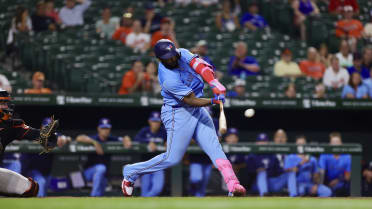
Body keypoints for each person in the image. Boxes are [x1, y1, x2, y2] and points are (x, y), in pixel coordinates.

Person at [122, 39, 246, 197]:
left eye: (173, 55)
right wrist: (214, 100)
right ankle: (131, 172)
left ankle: (233, 185)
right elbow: (190, 100)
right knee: (172, 158)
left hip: (198, 111)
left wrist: (213, 82)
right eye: (168, 57)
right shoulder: (167, 78)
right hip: (178, 113)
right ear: (159, 59)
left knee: (215, 147)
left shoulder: (182, 53)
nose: (173, 59)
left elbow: (201, 66)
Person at [0, 89, 59, 197]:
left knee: (31, 188)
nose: (6, 107)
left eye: (6, 103)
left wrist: (44, 136)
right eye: (2, 103)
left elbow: (33, 133)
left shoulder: (11, 125)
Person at [76, 118, 130, 196]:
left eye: (107, 128)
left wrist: (126, 138)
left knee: (100, 194)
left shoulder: (112, 139)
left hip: (103, 175)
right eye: (103, 128)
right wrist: (94, 142)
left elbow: (124, 139)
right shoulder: (94, 138)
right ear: (98, 129)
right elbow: (79, 138)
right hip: (88, 173)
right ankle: (93, 197)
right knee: (101, 168)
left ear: (110, 129)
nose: (105, 130)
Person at [22, 117, 71, 197]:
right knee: (40, 182)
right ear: (41, 127)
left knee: (44, 190)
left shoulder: (54, 136)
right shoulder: (36, 133)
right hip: (33, 170)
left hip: (47, 172)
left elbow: (68, 139)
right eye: (46, 127)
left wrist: (64, 139)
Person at [133, 112, 166, 197]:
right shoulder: (145, 130)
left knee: (157, 189)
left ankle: (144, 200)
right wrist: (148, 142)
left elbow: (172, 139)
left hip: (159, 165)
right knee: (144, 191)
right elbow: (136, 139)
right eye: (153, 121)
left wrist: (168, 141)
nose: (155, 123)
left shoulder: (163, 131)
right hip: (146, 165)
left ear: (160, 122)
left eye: (157, 121)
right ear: (149, 121)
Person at [188, 107, 218, 197]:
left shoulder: (215, 123)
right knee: (196, 178)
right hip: (195, 157)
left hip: (208, 158)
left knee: (204, 183)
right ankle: (192, 189)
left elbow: (218, 138)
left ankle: (198, 201)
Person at [319, 132, 351, 196]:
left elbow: (347, 177)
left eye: (337, 142)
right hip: (327, 183)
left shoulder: (347, 156)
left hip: (342, 184)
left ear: (341, 144)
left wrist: (337, 180)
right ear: (330, 144)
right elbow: (321, 172)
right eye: (333, 142)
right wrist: (321, 186)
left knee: (342, 188)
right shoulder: (325, 155)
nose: (335, 144)